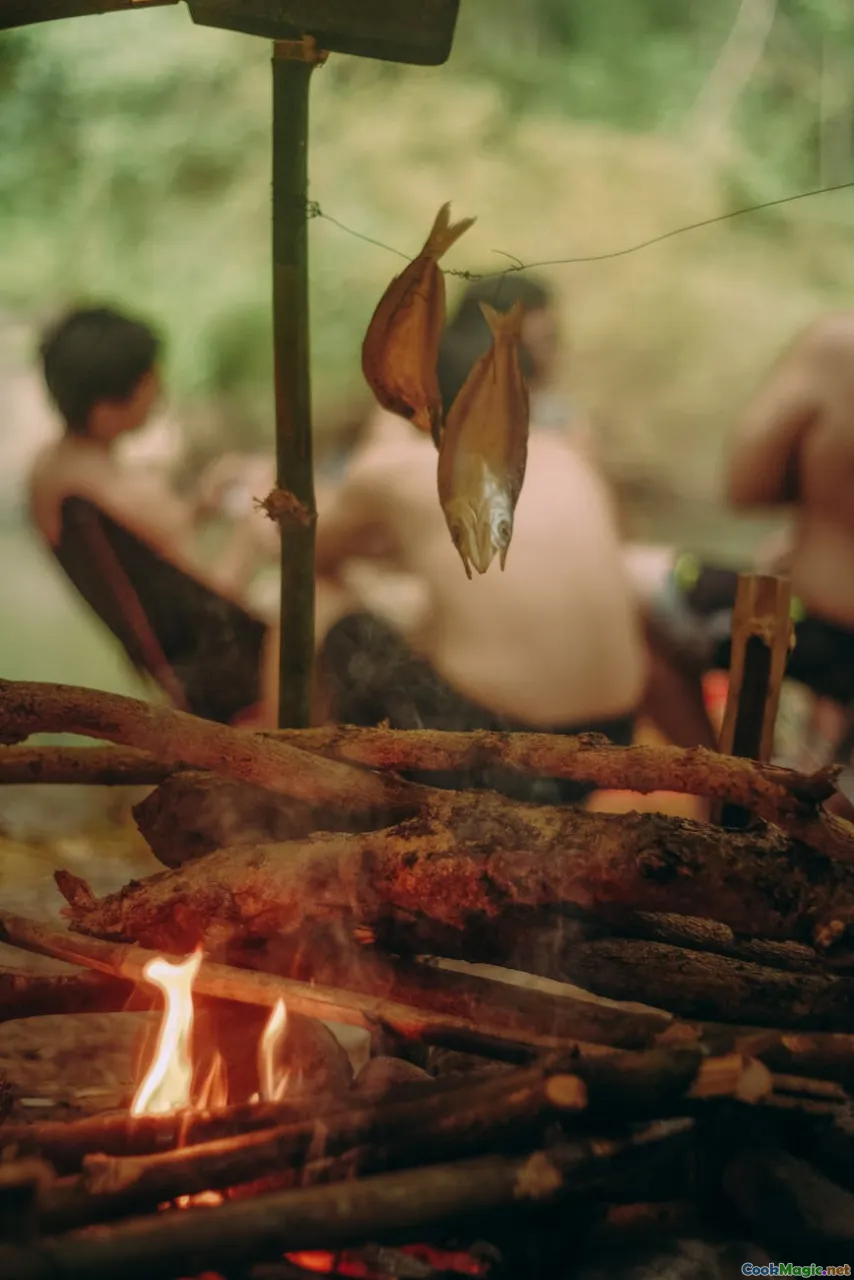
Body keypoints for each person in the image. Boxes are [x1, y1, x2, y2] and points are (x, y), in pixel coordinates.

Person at [313, 275, 648, 804]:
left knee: (326, 608)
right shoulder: (567, 450)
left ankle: (299, 791)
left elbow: (308, 552)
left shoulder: (392, 465)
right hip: (612, 739)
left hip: (499, 751)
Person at [27, 305, 287, 725]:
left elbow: (151, 549)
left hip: (171, 672)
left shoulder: (51, 472)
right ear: (107, 406)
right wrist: (253, 525)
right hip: (220, 684)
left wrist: (201, 504)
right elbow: (217, 597)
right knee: (326, 602)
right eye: (150, 378)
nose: (159, 387)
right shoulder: (121, 490)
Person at [631, 311, 854, 759]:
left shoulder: (839, 346)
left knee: (629, 586)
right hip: (826, 648)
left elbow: (747, 487)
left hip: (824, 631)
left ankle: (726, 788)